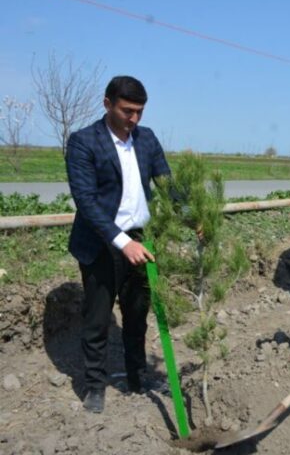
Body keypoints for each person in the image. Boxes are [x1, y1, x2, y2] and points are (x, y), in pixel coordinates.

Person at [66, 76, 172, 413]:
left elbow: (167, 183)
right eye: (128, 111)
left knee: (137, 314)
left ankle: (137, 375)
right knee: (98, 319)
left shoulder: (146, 139)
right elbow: (86, 200)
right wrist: (121, 241)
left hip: (140, 241)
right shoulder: (84, 142)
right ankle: (95, 386)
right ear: (107, 103)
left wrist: (193, 216)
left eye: (140, 112)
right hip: (102, 244)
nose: (134, 119)